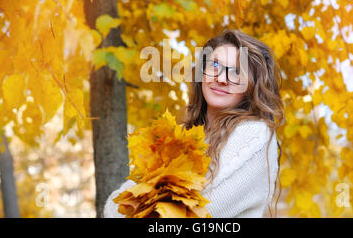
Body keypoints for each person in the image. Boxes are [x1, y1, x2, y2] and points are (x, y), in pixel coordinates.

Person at [103, 29, 285, 218]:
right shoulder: (180, 134)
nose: (221, 79)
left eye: (237, 72)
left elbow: (202, 212)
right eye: (215, 65)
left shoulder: (255, 134)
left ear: (251, 86)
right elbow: (114, 206)